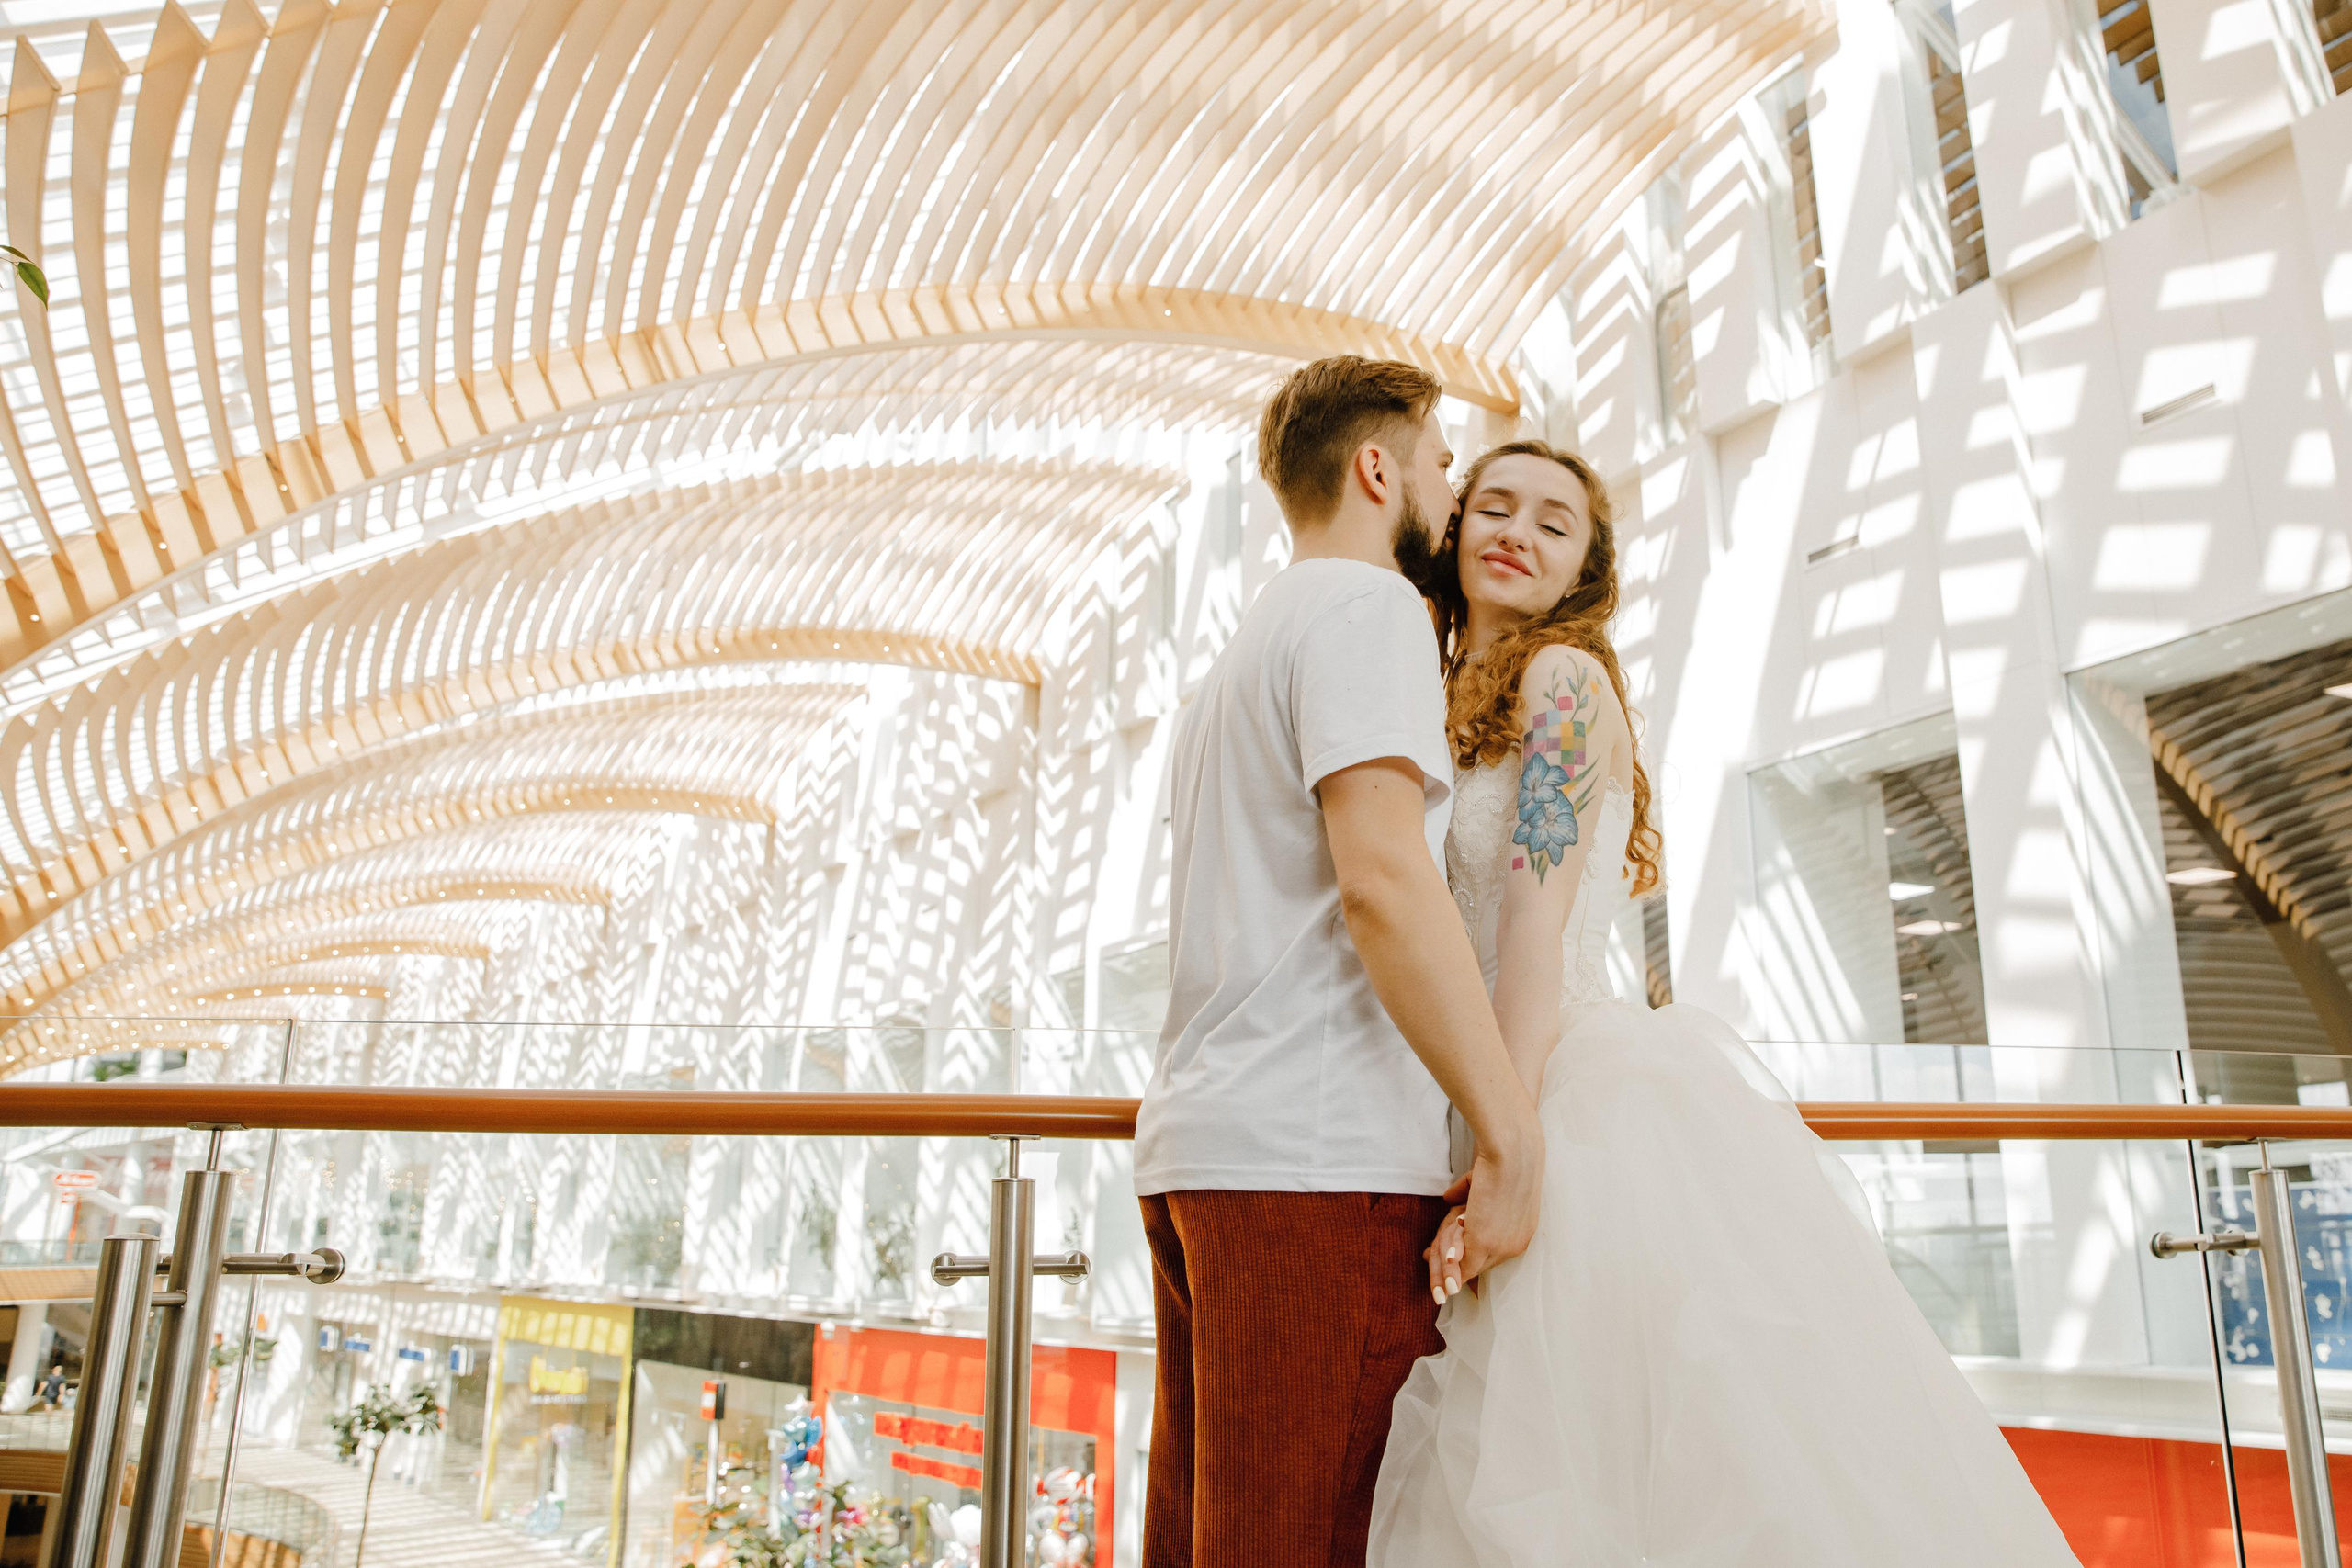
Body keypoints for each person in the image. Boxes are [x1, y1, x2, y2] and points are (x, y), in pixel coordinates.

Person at [1369, 440, 2081, 1565]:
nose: (1516, 531)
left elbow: (1532, 927)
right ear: (1452, 532)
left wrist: (1511, 1133)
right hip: (1479, 1081)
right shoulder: (1436, 688)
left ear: (1585, 572)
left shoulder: (1563, 681)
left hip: (1560, 1083)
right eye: (1493, 507)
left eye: (1555, 524)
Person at [1133, 358, 1545, 1568]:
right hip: (1314, 1164)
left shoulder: (1241, 651)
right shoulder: (1371, 612)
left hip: (1209, 1152)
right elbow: (1383, 879)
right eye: (1442, 467)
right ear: (1379, 469)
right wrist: (1509, 1131)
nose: (1453, 496)